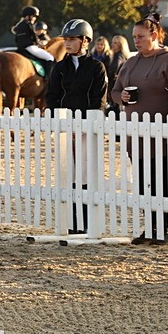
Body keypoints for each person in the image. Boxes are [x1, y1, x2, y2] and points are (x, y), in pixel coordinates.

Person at [111, 13, 168, 245]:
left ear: (154, 35)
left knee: (162, 183)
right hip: (137, 137)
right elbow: (114, 92)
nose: (136, 41)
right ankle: (150, 228)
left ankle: (163, 230)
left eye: (141, 37)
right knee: (144, 184)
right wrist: (122, 97)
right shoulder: (131, 62)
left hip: (164, 136)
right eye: (134, 37)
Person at [45, 19, 109, 234]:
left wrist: (85, 125)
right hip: (64, 129)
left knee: (84, 176)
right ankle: (72, 222)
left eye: (72, 39)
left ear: (85, 41)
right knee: (68, 175)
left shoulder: (96, 67)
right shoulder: (60, 67)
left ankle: (85, 221)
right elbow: (52, 96)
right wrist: (58, 122)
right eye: (66, 39)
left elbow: (98, 99)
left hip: (86, 129)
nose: (67, 43)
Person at [107, 34, 133, 117]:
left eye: (115, 43)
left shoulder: (118, 56)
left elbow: (113, 70)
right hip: (122, 84)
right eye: (112, 42)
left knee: (115, 108)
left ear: (120, 45)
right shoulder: (124, 56)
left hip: (115, 84)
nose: (112, 45)